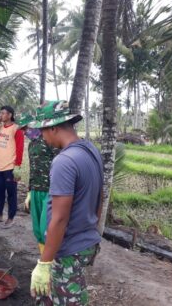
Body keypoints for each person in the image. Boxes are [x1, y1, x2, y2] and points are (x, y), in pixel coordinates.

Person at [29, 101, 103, 306]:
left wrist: (44, 262)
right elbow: (100, 196)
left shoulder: (64, 161)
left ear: (53, 127)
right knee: (65, 291)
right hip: (87, 239)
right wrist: (91, 226)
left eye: (43, 131)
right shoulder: (90, 150)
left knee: (67, 298)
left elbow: (60, 218)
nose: (42, 137)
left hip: (68, 248)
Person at [0, 106, 25, 228]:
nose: (1, 115)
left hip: (10, 167)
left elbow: (20, 148)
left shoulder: (16, 129)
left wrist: (17, 166)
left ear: (10, 115)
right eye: (0, 113)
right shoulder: (0, 126)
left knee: (11, 194)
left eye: (3, 113)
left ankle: (11, 218)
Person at [24, 125, 58, 255]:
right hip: (36, 190)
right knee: (37, 228)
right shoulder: (31, 145)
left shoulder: (50, 141)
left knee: (47, 227)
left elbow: (59, 163)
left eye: (26, 128)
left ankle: (52, 259)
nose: (25, 132)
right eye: (22, 130)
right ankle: (44, 257)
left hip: (50, 190)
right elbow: (32, 169)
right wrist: (29, 191)